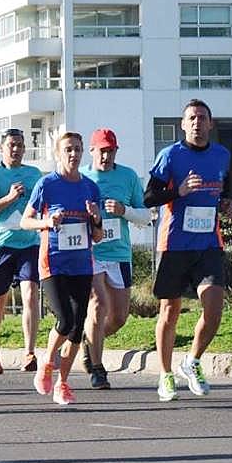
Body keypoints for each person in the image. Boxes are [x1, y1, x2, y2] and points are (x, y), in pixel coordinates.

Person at [145, 99, 232, 401]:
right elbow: (149, 197)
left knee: (214, 309)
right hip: (175, 244)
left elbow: (227, 191)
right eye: (191, 118)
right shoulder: (170, 156)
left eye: (202, 118)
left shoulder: (222, 155)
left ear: (211, 123)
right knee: (170, 311)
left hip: (209, 243)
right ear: (183, 125)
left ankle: (192, 361)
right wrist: (177, 191)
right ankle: (165, 375)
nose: (197, 123)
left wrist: (228, 204)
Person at [20, 133, 103, 405]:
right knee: (65, 320)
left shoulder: (90, 187)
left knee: (77, 328)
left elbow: (98, 235)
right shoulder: (47, 185)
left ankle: (63, 383)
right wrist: (46, 222)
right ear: (58, 153)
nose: (74, 154)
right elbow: (25, 221)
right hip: (53, 263)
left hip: (82, 264)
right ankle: (46, 360)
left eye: (78, 149)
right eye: (68, 149)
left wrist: (95, 219)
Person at [79, 128, 150, 389]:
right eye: (101, 151)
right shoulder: (82, 177)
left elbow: (145, 217)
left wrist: (124, 210)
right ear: (92, 152)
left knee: (119, 317)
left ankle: (90, 341)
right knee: (97, 306)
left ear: (116, 151)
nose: (106, 156)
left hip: (119, 253)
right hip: (91, 253)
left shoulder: (128, 176)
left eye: (110, 151)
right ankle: (98, 369)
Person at [0, 129, 43, 374]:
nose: (16, 149)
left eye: (20, 145)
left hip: (29, 244)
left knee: (30, 295)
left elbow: (42, 204)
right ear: (3, 148)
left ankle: (29, 352)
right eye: (12, 145)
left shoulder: (34, 174)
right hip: (1, 245)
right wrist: (10, 198)